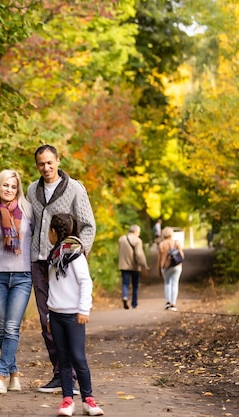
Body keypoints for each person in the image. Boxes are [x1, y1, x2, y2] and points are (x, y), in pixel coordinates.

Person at [27, 144, 96, 394]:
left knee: (69, 316)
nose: (46, 168)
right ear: (37, 166)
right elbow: (30, 225)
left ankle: (74, 376)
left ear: (58, 161)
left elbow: (88, 225)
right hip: (39, 261)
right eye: (41, 164)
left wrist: (75, 253)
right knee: (47, 320)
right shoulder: (32, 191)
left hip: (65, 263)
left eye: (49, 162)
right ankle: (60, 374)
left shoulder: (75, 188)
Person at [0, 169, 34, 394]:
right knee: (2, 328)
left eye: (13, 186)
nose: (9, 190)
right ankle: (15, 373)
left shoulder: (29, 211)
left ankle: (1, 376)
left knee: (12, 327)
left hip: (23, 276)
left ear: (18, 189)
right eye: (5, 185)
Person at [47, 213, 104, 417]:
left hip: (74, 316)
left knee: (78, 358)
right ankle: (67, 400)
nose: (48, 234)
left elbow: (85, 282)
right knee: (63, 359)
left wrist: (83, 309)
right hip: (55, 315)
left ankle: (89, 400)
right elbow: (53, 288)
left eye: (49, 230)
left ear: (54, 232)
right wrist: (48, 318)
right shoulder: (54, 255)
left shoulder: (75, 255)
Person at [117, 224, 150, 309]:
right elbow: (139, 254)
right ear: (135, 231)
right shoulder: (137, 240)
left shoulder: (121, 239)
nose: (139, 234)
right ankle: (134, 303)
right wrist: (144, 265)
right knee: (135, 285)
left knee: (125, 283)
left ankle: (125, 296)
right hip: (134, 266)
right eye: (139, 232)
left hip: (123, 265)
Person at [157, 226, 185, 311]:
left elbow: (159, 259)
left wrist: (159, 269)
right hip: (176, 266)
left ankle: (168, 302)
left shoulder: (161, 244)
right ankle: (173, 303)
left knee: (167, 283)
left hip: (165, 267)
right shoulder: (176, 243)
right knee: (175, 283)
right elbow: (182, 256)